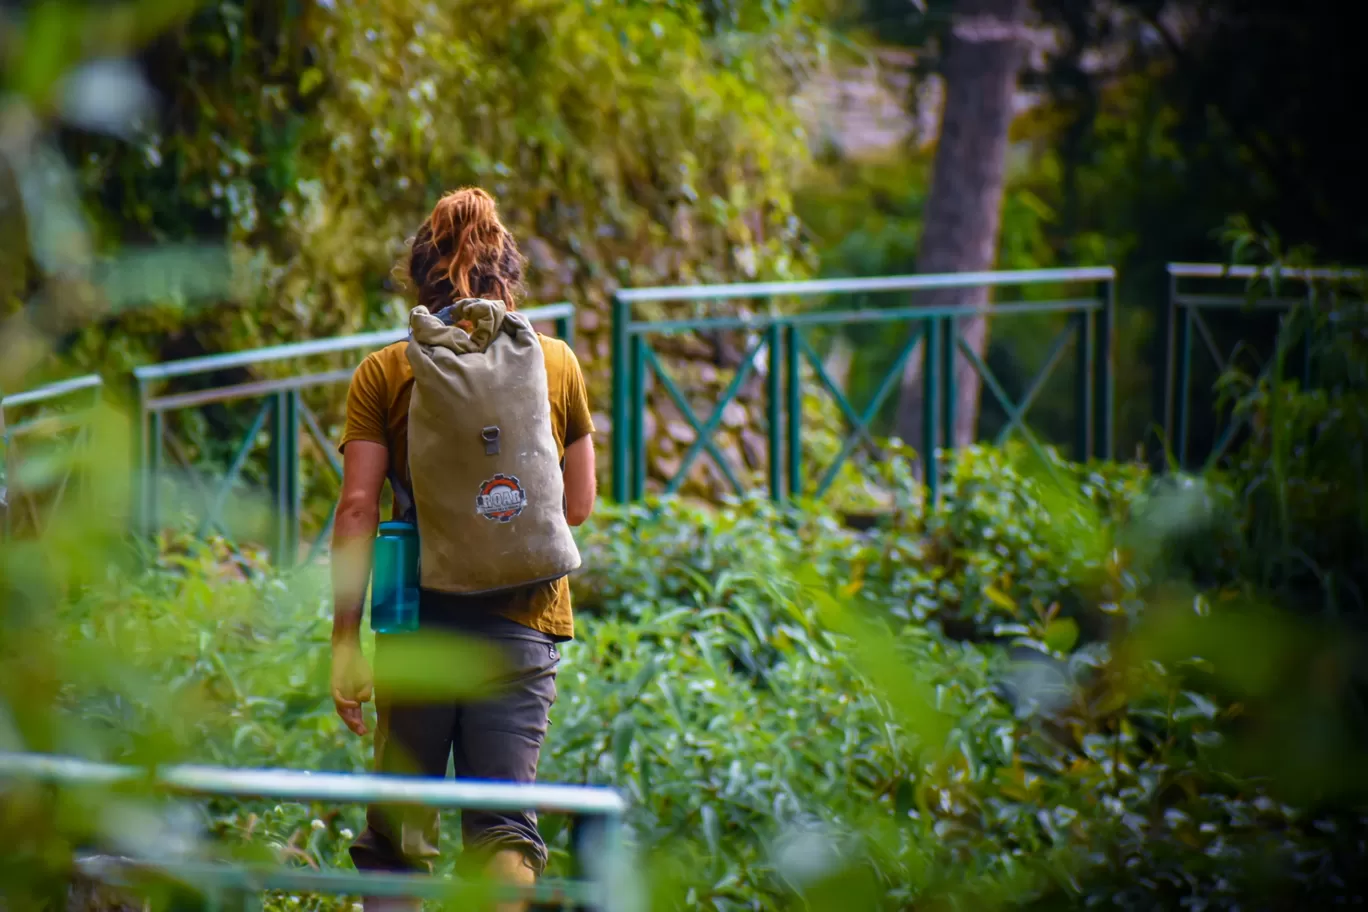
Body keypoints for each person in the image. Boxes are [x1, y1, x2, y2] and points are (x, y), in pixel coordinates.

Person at [329, 187, 596, 912]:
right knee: (505, 831)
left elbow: (357, 506)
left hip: (417, 620)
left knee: (397, 839)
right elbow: (576, 505)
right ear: (508, 275)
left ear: (418, 279)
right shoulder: (556, 362)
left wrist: (345, 638)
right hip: (524, 623)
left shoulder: (385, 371)